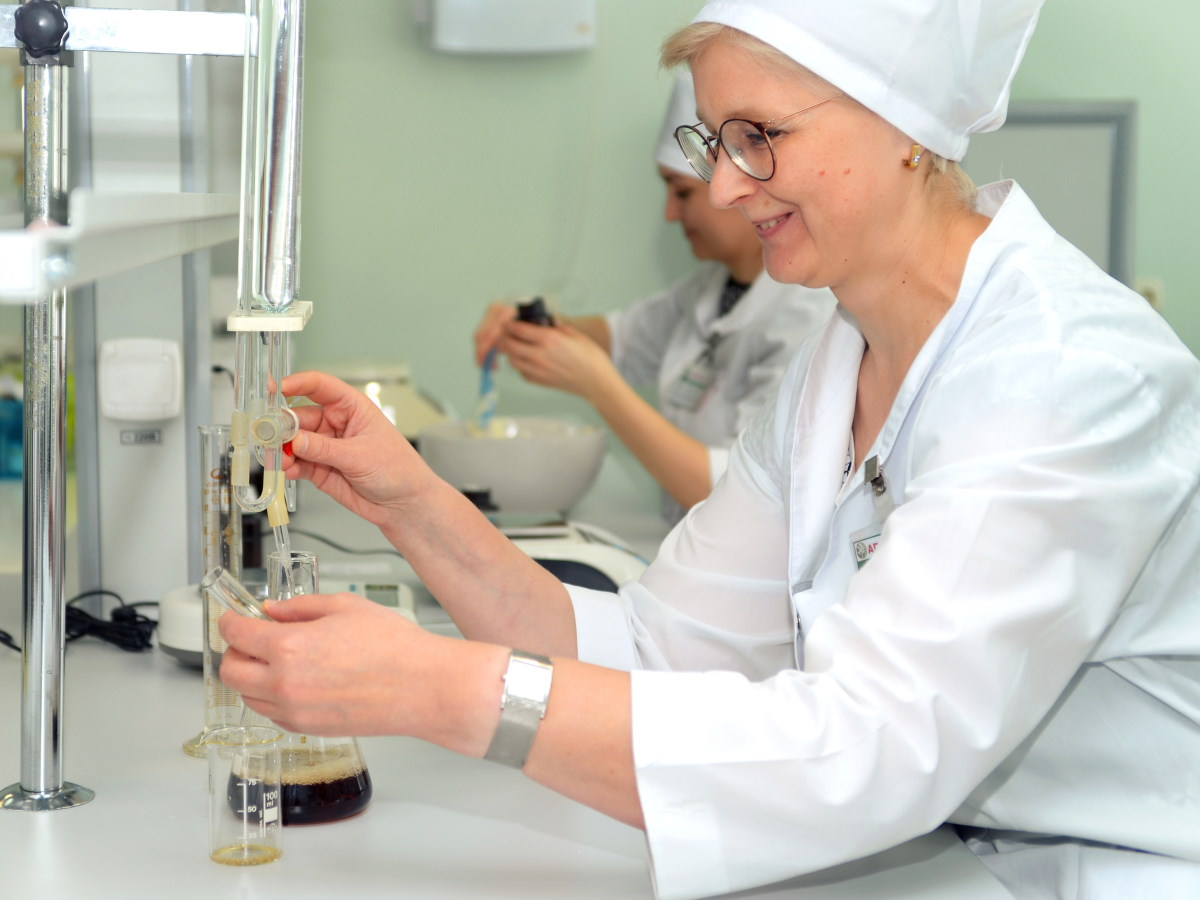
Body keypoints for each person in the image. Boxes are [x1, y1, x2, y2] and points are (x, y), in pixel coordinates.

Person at [218, 2, 1200, 898]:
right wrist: (415, 505)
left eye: (760, 137)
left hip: (1115, 867)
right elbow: (657, 650)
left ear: (902, 124)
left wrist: (440, 688)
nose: (725, 186)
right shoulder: (834, 366)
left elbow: (873, 747)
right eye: (715, 139)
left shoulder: (1063, 373)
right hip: (943, 850)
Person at [473, 73, 835, 522]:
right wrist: (528, 322)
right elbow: (621, 336)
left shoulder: (810, 315)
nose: (668, 214)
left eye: (681, 192)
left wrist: (599, 387)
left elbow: (741, 495)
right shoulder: (710, 290)